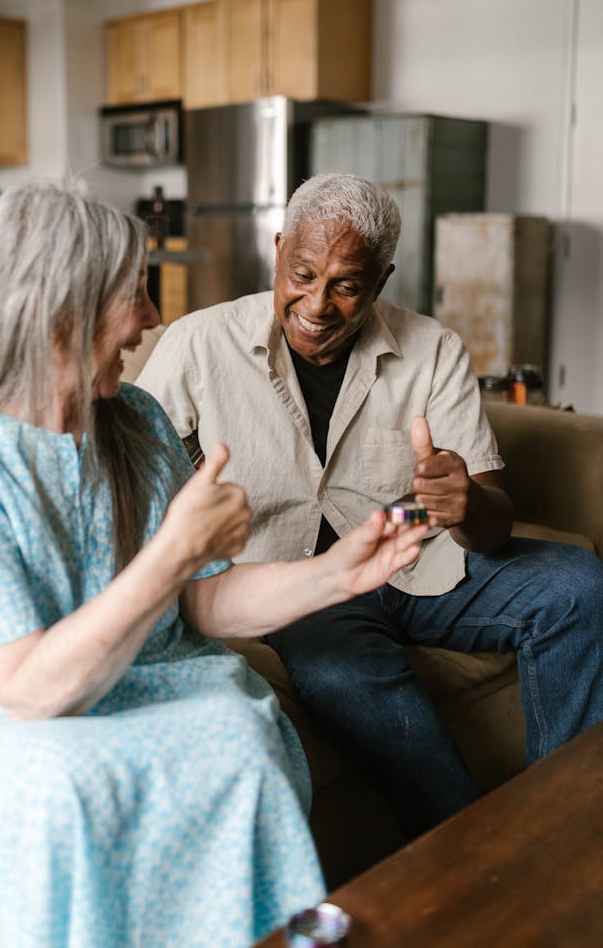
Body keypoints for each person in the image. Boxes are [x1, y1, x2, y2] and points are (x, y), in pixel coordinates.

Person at [0, 181, 428, 948]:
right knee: (69, 785)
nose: (153, 318)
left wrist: (342, 573)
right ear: (60, 307)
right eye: (134, 294)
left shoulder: (136, 420)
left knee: (240, 738)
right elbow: (28, 691)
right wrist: (173, 552)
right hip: (2, 713)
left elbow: (203, 604)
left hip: (144, 675)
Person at [137, 172, 603, 840]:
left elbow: (495, 516)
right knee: (339, 670)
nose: (318, 303)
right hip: (298, 585)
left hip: (418, 559)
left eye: (347, 285)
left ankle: (567, 826)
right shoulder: (199, 342)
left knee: (579, 587)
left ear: (380, 282)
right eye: (302, 272)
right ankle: (472, 845)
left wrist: (466, 501)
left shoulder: (433, 350)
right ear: (278, 250)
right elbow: (125, 468)